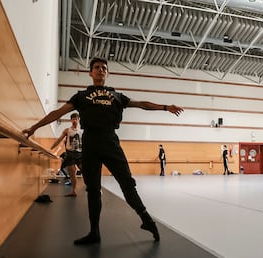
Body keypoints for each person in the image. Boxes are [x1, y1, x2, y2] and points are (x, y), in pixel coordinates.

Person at [22, 57, 184, 245]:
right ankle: (94, 232)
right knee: (93, 189)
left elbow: (142, 104)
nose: (100, 70)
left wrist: (166, 107)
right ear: (90, 73)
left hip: (110, 142)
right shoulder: (80, 96)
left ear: (107, 73)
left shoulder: (117, 96)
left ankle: (147, 220)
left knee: (127, 185)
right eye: (97, 67)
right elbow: (57, 113)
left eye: (104, 68)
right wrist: (34, 127)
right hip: (90, 142)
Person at [50, 113, 83, 196]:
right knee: (72, 174)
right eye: (73, 119)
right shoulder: (67, 130)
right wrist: (50, 149)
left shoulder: (82, 131)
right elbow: (58, 140)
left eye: (76, 119)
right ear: (71, 120)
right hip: (70, 154)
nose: (74, 120)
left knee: (87, 172)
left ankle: (96, 188)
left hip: (80, 154)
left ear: (79, 120)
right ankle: (74, 191)